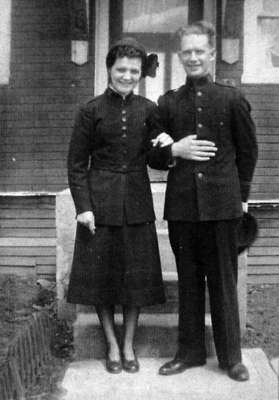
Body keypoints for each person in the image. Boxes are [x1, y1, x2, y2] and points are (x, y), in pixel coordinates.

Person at [149, 21, 258, 381]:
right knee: (189, 281)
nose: (193, 57)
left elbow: (248, 152)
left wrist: (241, 200)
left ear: (211, 54)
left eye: (200, 51)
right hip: (182, 208)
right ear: (180, 57)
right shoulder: (167, 103)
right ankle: (190, 353)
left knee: (224, 282)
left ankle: (232, 358)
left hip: (222, 208)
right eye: (187, 52)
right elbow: (151, 152)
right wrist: (174, 150)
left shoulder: (231, 98)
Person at [66, 37, 171, 374]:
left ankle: (129, 346)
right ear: (110, 69)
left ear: (141, 74)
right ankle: (111, 346)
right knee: (102, 280)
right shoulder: (90, 111)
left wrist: (166, 147)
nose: (127, 75)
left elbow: (156, 160)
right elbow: (77, 164)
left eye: (134, 71)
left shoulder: (149, 109)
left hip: (137, 203)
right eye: (121, 69)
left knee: (135, 282)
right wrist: (84, 207)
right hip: (100, 203)